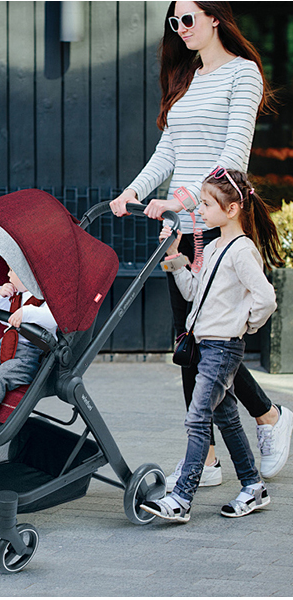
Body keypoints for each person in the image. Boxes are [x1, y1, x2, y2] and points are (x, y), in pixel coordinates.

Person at [108, 1, 290, 485]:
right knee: (190, 341)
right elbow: (168, 150)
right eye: (175, 21)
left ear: (214, 18)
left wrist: (183, 199)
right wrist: (134, 192)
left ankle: (269, 417)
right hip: (180, 228)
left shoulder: (243, 74)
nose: (181, 28)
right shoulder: (185, 78)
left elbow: (233, 158)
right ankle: (207, 457)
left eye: (188, 18)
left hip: (216, 224)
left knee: (213, 340)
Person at [142, 168, 281, 522]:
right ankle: (253, 486)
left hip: (222, 347)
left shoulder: (241, 250)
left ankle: (182, 498)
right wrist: (174, 256)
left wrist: (242, 326)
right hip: (206, 345)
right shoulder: (216, 245)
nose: (200, 210)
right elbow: (194, 294)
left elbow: (266, 298)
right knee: (227, 418)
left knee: (197, 416)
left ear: (232, 208)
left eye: (206, 204)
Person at [0, 268, 58, 439]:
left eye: (12, 270)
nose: (8, 275)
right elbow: (5, 319)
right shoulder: (18, 293)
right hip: (4, 344)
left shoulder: (47, 299)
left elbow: (53, 319)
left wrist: (27, 312)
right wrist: (1, 296)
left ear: (27, 276)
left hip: (28, 354)